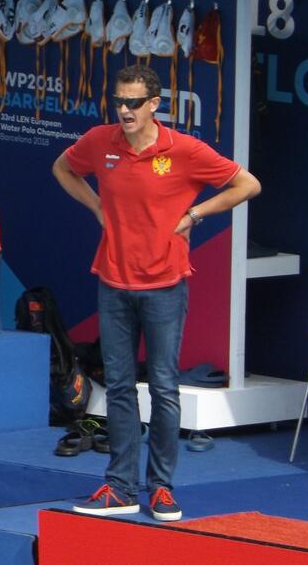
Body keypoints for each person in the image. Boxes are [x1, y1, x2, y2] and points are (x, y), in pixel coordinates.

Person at [53, 64, 261, 522]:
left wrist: (197, 213)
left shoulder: (183, 150)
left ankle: (162, 489)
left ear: (154, 105)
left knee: (165, 389)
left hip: (165, 286)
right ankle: (120, 486)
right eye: (119, 101)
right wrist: (96, 208)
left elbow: (248, 184)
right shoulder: (100, 141)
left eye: (133, 103)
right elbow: (63, 168)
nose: (124, 111)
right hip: (113, 283)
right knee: (121, 388)